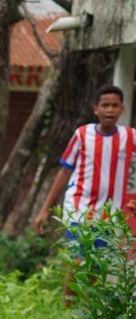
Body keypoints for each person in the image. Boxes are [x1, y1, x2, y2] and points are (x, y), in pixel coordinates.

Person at [34, 84, 136, 302]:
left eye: (114, 106)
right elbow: (64, 171)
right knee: (78, 262)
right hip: (79, 209)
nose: (109, 110)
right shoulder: (82, 135)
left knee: (97, 268)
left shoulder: (130, 137)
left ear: (122, 109)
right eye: (105, 105)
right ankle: (68, 310)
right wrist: (45, 209)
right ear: (96, 109)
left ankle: (87, 316)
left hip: (110, 215)